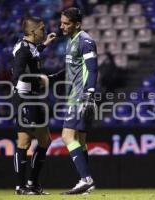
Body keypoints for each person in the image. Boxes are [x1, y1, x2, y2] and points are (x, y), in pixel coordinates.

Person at [11, 16, 56, 195]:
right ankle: (20, 187)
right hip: (24, 99)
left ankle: (32, 183)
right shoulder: (22, 50)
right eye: (42, 29)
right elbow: (17, 76)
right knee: (24, 142)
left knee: (45, 140)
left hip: (34, 98)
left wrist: (45, 44)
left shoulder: (29, 47)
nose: (44, 31)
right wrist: (38, 79)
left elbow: (34, 53)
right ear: (32, 31)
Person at [59, 7, 97, 195]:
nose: (62, 27)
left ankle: (85, 179)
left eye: (66, 23)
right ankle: (86, 183)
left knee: (67, 136)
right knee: (80, 141)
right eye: (61, 23)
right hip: (75, 95)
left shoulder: (85, 41)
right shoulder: (71, 41)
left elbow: (93, 69)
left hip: (80, 96)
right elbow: (72, 70)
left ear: (77, 24)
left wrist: (89, 93)